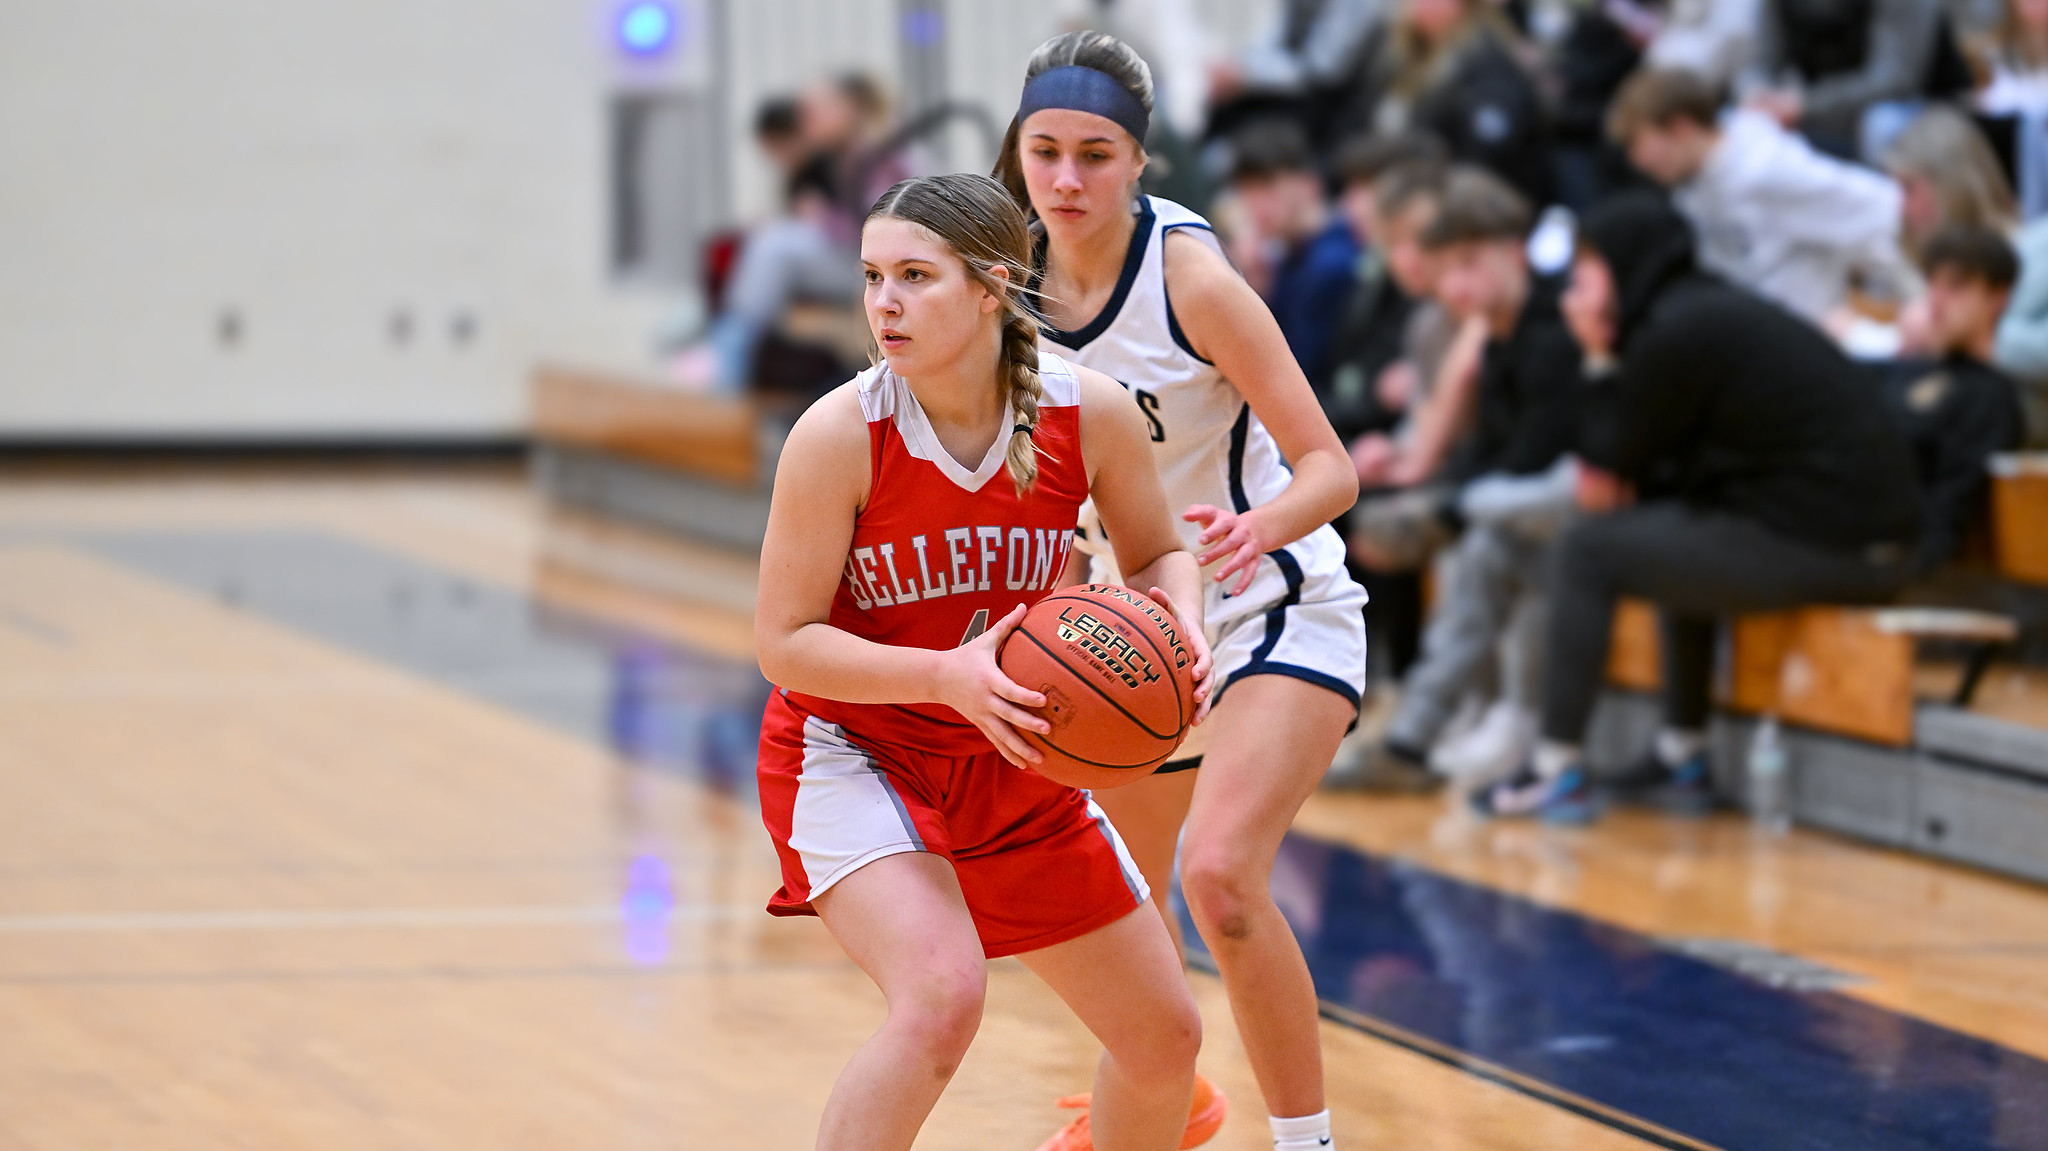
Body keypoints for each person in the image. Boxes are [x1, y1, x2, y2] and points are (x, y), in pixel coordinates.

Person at [754, 172, 1216, 1151]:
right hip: (856, 747)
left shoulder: (1084, 412)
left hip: (1015, 748)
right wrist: (943, 677)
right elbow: (782, 641)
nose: (883, 302)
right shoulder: (840, 435)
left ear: (993, 287)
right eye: (871, 275)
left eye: (915, 276)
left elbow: (1157, 551)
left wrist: (1180, 629)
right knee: (941, 995)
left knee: (1164, 1037)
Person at [992, 31, 1366, 1151]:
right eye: (1045, 151)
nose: (1066, 179)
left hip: (1276, 600)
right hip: (1138, 631)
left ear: (1140, 162)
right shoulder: (1006, 294)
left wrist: (1255, 527)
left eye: (1095, 154)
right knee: (1101, 911)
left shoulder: (1192, 279)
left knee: (1222, 878)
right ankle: (1169, 1101)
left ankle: (1306, 1141)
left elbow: (1330, 467)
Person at [1475, 192, 1922, 820]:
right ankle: (1682, 753)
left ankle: (1553, 768)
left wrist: (1597, 355)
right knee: (1666, 527)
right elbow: (1639, 465)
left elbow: (1609, 454)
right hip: (1832, 530)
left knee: (1589, 549)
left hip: (1843, 545)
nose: (1572, 288)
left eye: (1586, 270)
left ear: (1624, 265)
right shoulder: (1694, 312)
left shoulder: (1679, 332)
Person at [1334, 168, 1581, 791]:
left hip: (1589, 496)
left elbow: (1536, 455)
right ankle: (1427, 729)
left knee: (1490, 539)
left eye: (1473, 261)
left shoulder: (1556, 330)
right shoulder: (1503, 336)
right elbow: (1491, 450)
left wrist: (1445, 510)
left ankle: (1512, 716)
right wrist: (1442, 502)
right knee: (1479, 534)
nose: (1460, 283)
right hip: (1533, 498)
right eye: (1447, 269)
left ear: (1516, 249)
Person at [1608, 67, 1911, 324]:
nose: (1637, 161)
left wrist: (1892, 317)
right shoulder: (1689, 187)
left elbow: (1886, 209)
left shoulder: (1764, 168)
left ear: (1682, 127)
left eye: (1638, 143)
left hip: (1805, 337)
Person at [1875, 226, 2028, 575]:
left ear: (1997, 298)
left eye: (1957, 286)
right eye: (1934, 283)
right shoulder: (1904, 370)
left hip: (1891, 558)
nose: (1938, 299)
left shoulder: (1990, 397)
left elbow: (1946, 519)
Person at [1367, 0, 1553, 206]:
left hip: (1471, 212)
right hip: (1402, 193)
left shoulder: (1490, 67)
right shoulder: (1401, 53)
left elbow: (1483, 167)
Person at [1228, 121, 1363, 389]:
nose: (1256, 205)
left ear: (1309, 185)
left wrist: (1247, 293)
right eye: (1247, 191)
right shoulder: (1284, 258)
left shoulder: (1331, 262)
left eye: (1267, 186)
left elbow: (1293, 376)